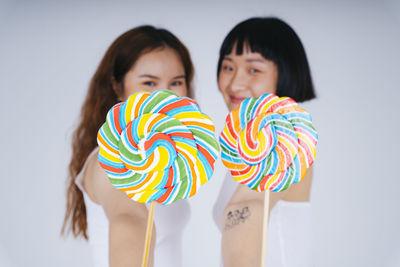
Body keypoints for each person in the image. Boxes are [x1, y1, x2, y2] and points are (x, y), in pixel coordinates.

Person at [62, 25, 194, 267]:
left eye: (176, 82)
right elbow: (130, 219)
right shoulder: (109, 160)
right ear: (117, 87)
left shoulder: (168, 159)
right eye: (149, 83)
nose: (164, 96)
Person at [213, 17, 316, 267]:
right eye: (228, 67)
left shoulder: (284, 139)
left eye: (253, 70)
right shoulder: (249, 142)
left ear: (285, 74)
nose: (235, 83)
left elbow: (248, 206)